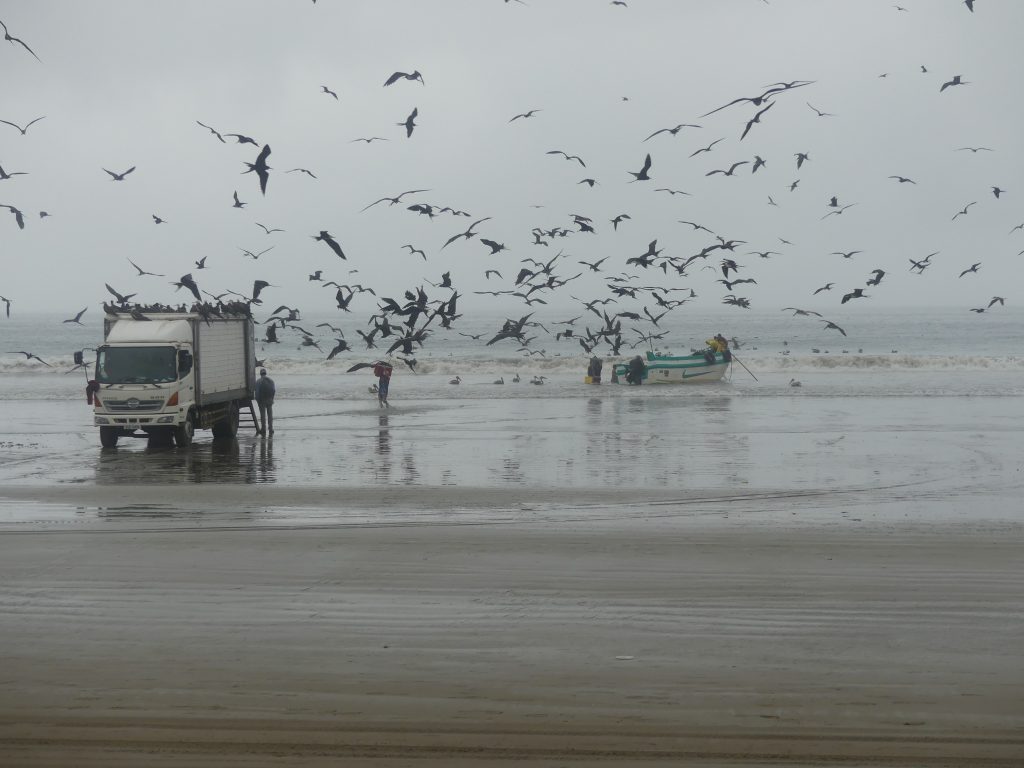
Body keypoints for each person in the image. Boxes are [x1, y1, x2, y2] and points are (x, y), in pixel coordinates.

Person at [254, 368, 275, 435]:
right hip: (269, 400)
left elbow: (257, 393)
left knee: (263, 415)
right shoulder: (271, 381)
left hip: (262, 400)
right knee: (270, 415)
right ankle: (271, 428)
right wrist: (272, 399)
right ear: (265, 373)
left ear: (260, 374)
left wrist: (257, 400)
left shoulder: (258, 381)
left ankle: (263, 429)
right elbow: (274, 390)